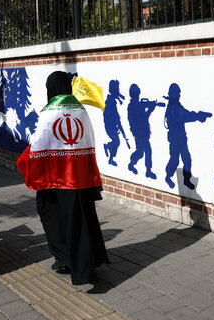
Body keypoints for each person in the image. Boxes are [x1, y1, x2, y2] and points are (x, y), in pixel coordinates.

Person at [17, 71, 109, 285]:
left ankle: (67, 259)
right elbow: (88, 141)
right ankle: (81, 259)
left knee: (50, 212)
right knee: (82, 220)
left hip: (55, 178)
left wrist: (26, 163)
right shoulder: (81, 110)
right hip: (79, 178)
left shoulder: (48, 113)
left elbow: (38, 145)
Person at [163, 83, 212, 189]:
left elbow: (185, 114)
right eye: (178, 93)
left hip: (180, 138)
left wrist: (198, 116)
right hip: (176, 138)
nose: (180, 95)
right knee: (175, 159)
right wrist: (198, 116)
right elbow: (185, 116)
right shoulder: (173, 107)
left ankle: (186, 179)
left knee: (186, 159)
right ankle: (168, 176)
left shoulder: (175, 105)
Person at [127, 83, 163, 179]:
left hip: (143, 132)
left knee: (143, 151)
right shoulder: (133, 106)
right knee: (143, 151)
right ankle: (135, 164)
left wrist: (150, 107)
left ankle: (144, 168)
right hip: (139, 133)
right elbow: (143, 118)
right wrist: (150, 110)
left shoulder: (138, 105)